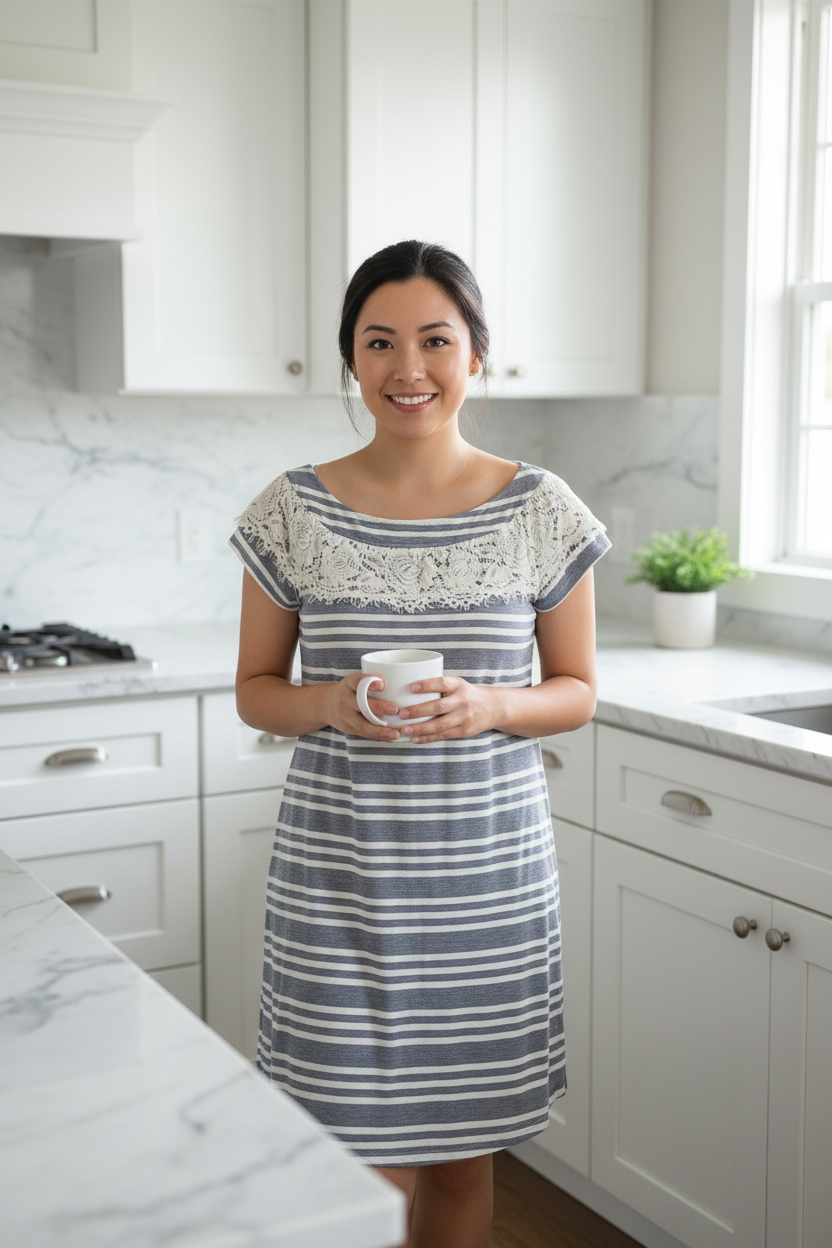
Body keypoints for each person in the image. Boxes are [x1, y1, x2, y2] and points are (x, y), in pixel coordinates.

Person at [230, 240, 610, 1248]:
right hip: (336, 884)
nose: (409, 367)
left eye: (435, 340)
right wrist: (330, 705)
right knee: (361, 1168)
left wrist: (491, 707)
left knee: (459, 1159)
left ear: (476, 355)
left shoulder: (541, 508)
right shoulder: (289, 509)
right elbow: (256, 694)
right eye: (379, 341)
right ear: (349, 362)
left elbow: (575, 692)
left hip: (485, 886)